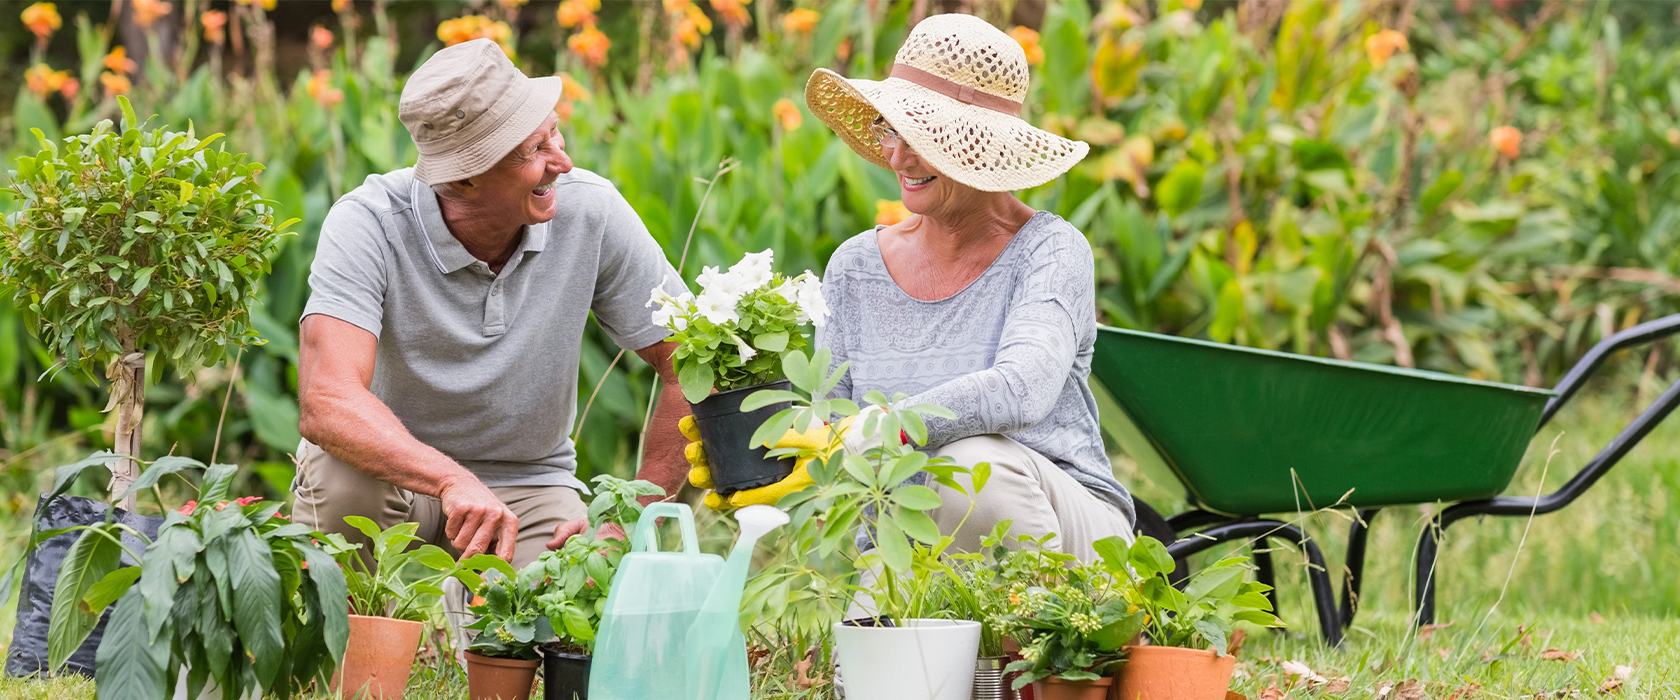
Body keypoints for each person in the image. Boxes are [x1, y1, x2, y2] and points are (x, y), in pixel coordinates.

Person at [687, 14, 1135, 562]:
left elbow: (1022, 389)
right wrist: (760, 448)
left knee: (974, 466)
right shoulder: (855, 267)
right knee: (866, 637)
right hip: (906, 548)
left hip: (1068, 533)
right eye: (891, 130)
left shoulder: (1050, 251)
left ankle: (1042, 643)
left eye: (922, 136)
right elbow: (835, 424)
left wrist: (881, 429)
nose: (898, 157)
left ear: (983, 144)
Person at [291, 38, 691, 573]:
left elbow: (689, 360)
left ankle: (492, 646)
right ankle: (355, 645)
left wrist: (629, 517)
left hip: (530, 482)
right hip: (389, 475)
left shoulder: (591, 210)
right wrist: (449, 478)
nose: (563, 163)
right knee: (339, 485)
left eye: (555, 133)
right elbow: (328, 399)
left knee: (562, 614)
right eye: (534, 151)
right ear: (464, 177)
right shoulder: (369, 221)